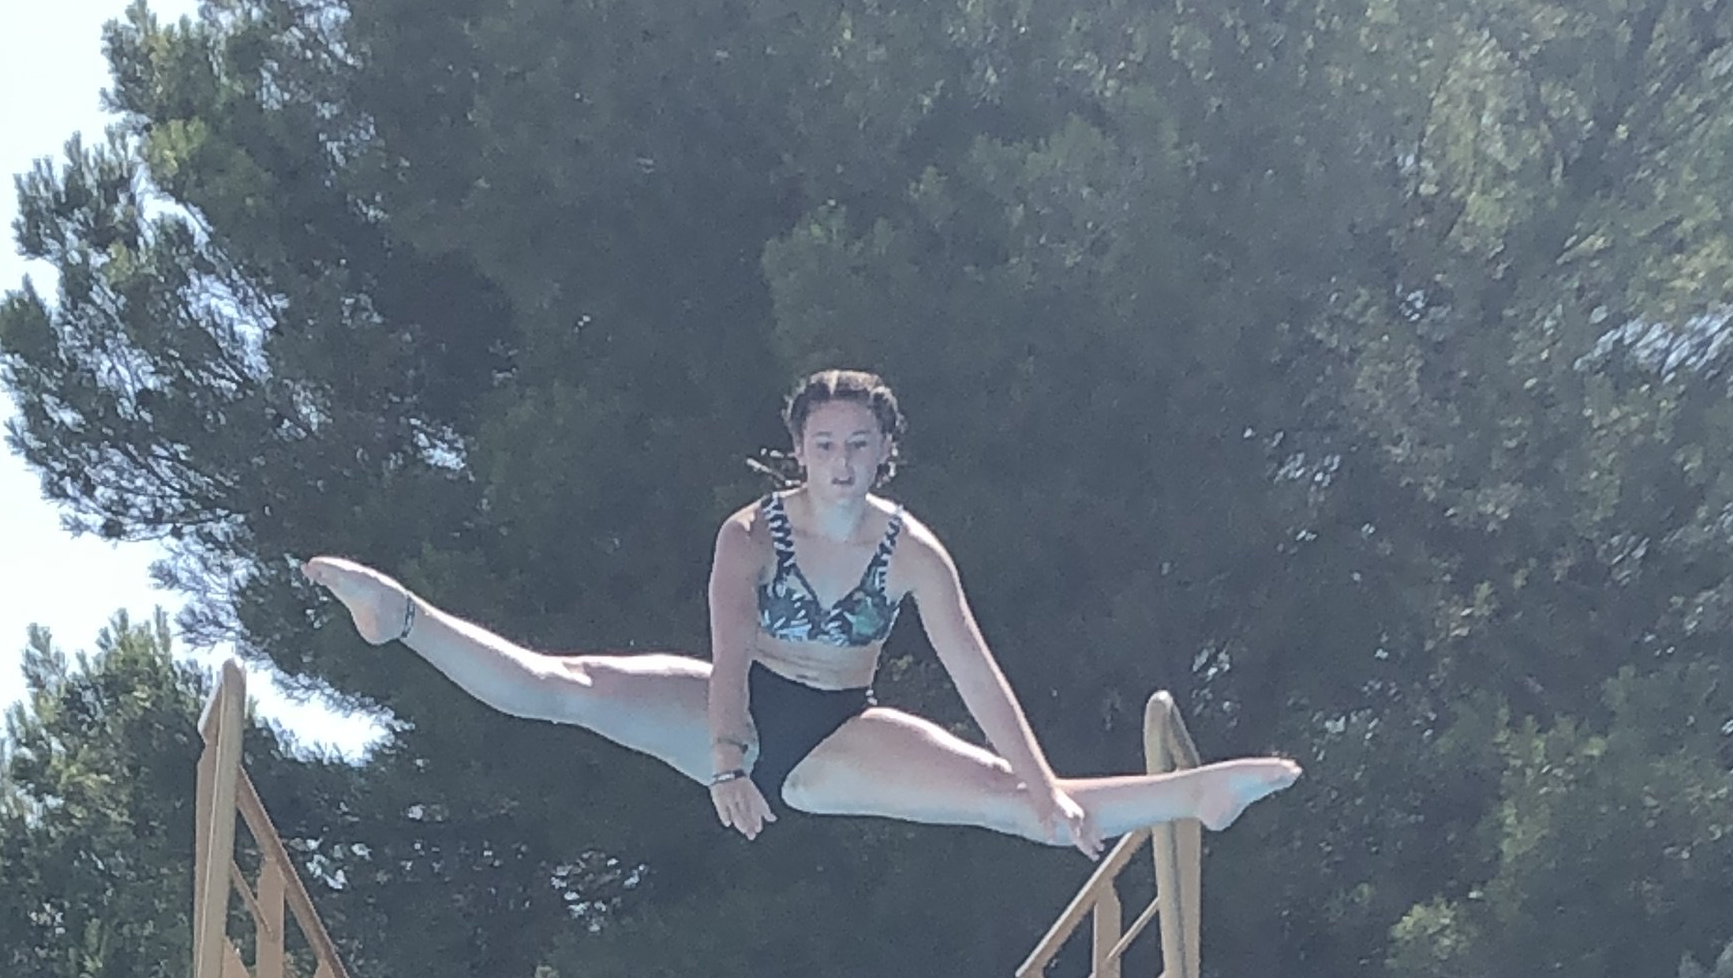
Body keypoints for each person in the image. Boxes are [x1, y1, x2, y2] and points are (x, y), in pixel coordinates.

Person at [300, 367, 1302, 857]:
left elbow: (977, 677)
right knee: (560, 686)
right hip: (730, 708)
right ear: (800, 452)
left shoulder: (913, 552)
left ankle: (1196, 796)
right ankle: (403, 616)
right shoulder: (750, 534)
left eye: (859, 445)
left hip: (837, 735)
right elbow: (729, 653)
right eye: (825, 444)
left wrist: (1044, 784)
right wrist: (726, 764)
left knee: (1022, 805)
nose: (841, 461)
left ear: (885, 453)